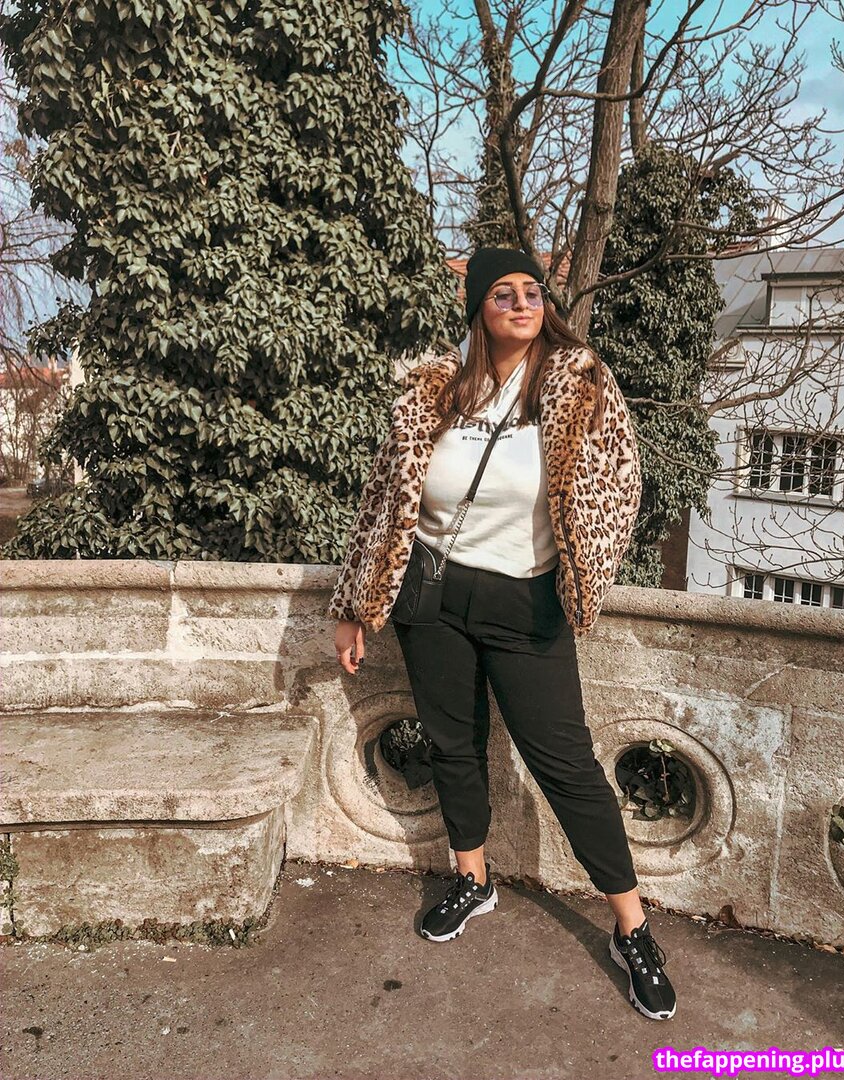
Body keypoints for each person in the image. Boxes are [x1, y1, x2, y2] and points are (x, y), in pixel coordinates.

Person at [329, 247, 676, 1021]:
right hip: (431, 596)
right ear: (478, 310)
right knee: (452, 746)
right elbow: (383, 500)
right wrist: (353, 603)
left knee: (567, 766)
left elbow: (620, 484)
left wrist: (583, 571)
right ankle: (472, 878)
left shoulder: (578, 383)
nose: (520, 303)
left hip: (526, 603)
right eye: (501, 294)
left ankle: (632, 929)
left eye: (530, 291)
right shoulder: (433, 391)